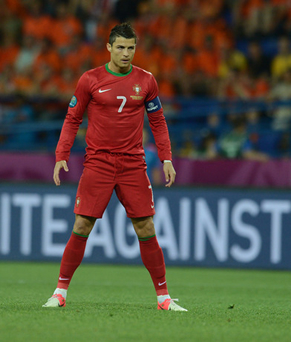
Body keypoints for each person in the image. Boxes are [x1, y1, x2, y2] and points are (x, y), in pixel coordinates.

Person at [42, 23, 186, 312]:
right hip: (99, 162)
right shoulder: (90, 80)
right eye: (120, 47)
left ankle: (163, 298)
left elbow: (158, 121)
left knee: (145, 227)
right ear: (108, 47)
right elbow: (72, 119)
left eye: (131, 48)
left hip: (133, 164)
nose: (126, 53)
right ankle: (60, 292)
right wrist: (61, 154)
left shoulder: (146, 81)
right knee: (82, 224)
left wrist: (167, 158)